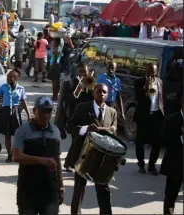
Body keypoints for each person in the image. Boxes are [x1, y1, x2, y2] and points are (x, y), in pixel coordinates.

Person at [67, 83, 117, 215]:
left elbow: (114, 135)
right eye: (99, 91)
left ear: (108, 94)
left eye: (105, 92)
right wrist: (84, 129)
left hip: (102, 160)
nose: (102, 94)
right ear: (93, 92)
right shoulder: (82, 108)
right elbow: (69, 126)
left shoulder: (112, 112)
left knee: (104, 190)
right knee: (79, 188)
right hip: (84, 156)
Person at [13, 96, 63, 214]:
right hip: (28, 191)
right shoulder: (22, 131)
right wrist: (42, 160)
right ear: (34, 111)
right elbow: (16, 156)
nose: (46, 116)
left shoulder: (55, 131)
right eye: (42, 112)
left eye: (49, 112)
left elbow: (57, 161)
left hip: (50, 191)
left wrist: (61, 187)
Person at [55, 62, 94, 171]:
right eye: (81, 71)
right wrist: (80, 86)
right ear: (77, 71)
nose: (83, 73)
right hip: (73, 118)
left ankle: (69, 163)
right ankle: (71, 164)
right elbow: (68, 99)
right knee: (76, 140)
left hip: (86, 117)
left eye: (85, 72)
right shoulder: (70, 83)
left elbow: (92, 100)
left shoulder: (90, 83)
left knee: (80, 142)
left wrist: (90, 88)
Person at [134, 63, 164, 175]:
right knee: (140, 142)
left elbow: (161, 98)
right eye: (150, 71)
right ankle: (141, 164)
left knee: (157, 142)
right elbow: (138, 98)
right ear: (146, 71)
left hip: (156, 115)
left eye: (154, 71)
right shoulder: (139, 82)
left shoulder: (160, 82)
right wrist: (145, 87)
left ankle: (152, 166)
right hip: (143, 116)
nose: (152, 73)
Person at [0, 69, 30, 162]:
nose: (8, 78)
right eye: (7, 77)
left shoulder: (21, 89)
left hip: (16, 112)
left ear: (15, 78)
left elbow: (23, 101)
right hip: (5, 111)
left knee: (17, 134)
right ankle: (9, 155)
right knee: (7, 135)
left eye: (10, 77)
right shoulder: (3, 87)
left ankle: (14, 151)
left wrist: (28, 113)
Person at [160, 92, 183, 214]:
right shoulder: (171, 120)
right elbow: (163, 141)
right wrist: (180, 139)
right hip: (175, 167)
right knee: (170, 198)